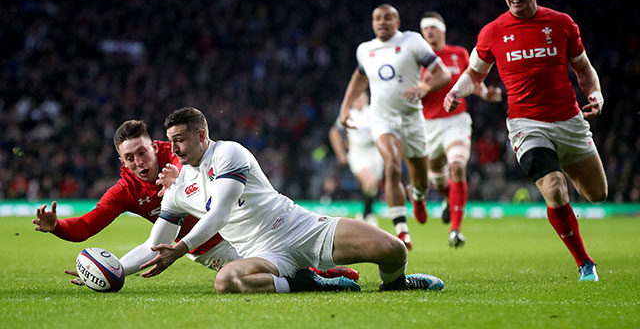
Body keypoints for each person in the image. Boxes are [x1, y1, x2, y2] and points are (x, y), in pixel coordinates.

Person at [121, 107, 445, 293]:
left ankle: (395, 284)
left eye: (180, 140)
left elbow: (219, 213)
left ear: (201, 135)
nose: (173, 148)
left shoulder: (229, 153)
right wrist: (117, 272)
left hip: (299, 227)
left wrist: (181, 249)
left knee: (393, 250)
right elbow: (155, 244)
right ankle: (308, 284)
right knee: (227, 281)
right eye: (171, 141)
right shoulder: (177, 193)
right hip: (263, 254)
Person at [32, 120, 357, 283]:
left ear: (154, 145)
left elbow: (211, 172)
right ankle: (323, 278)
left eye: (143, 152)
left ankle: (327, 271)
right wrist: (57, 227)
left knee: (285, 264)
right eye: (129, 158)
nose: (139, 162)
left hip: (239, 229)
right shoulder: (124, 191)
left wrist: (183, 181)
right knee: (270, 277)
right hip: (206, 249)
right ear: (122, 162)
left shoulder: (178, 154)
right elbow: (88, 226)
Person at [443, 0, 606, 281]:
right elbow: (474, 74)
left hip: (569, 121)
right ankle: (585, 263)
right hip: (526, 125)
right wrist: (455, 91)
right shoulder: (493, 31)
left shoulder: (561, 23)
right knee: (555, 190)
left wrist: (595, 95)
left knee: (597, 194)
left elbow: (583, 68)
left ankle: (567, 171)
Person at [338, 4, 452, 250]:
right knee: (391, 163)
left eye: (387, 17)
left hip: (412, 120)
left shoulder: (413, 42)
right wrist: (345, 107)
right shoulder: (365, 50)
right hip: (382, 118)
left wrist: (424, 87)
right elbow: (359, 77)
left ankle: (418, 196)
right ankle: (402, 231)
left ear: (397, 21)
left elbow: (443, 74)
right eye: (377, 18)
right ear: (372, 23)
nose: (382, 22)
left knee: (421, 182)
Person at [419, 11, 502, 247]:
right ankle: (448, 199)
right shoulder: (418, 59)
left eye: (433, 27)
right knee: (438, 178)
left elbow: (473, 80)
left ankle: (456, 230)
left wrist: (487, 93)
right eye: (425, 28)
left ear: (442, 30)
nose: (429, 32)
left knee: (457, 166)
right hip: (427, 125)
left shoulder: (459, 54)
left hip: (456, 120)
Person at [329, 92, 384, 227]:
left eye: (362, 98)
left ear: (367, 99)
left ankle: (366, 213)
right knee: (369, 181)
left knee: (373, 186)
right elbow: (334, 132)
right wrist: (341, 153)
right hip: (357, 154)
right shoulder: (349, 114)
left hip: (375, 153)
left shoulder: (374, 112)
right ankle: (368, 214)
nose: (360, 101)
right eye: (357, 98)